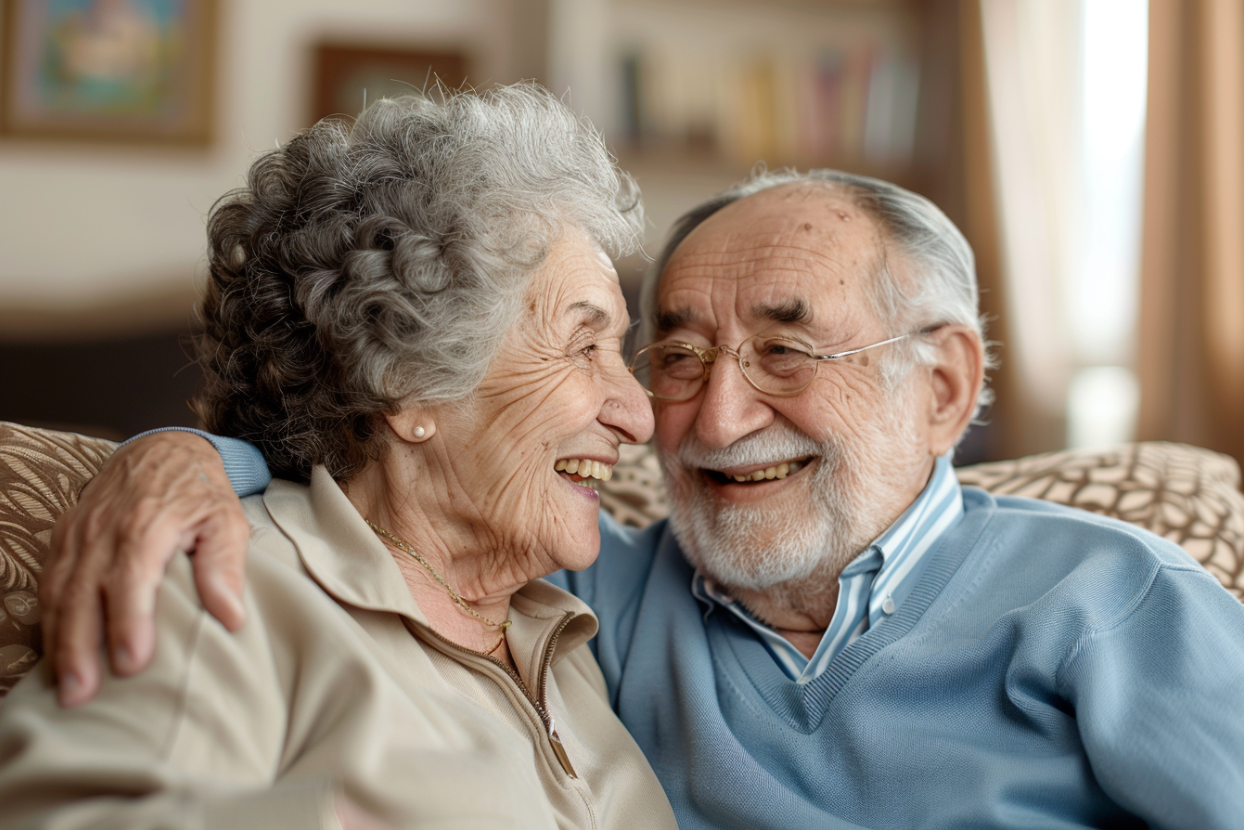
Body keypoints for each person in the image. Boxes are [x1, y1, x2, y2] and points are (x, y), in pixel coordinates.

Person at [45, 169, 1244, 829]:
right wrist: (189, 455)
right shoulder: (584, 589)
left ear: (937, 383)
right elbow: (393, 482)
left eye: (785, 352)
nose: (709, 419)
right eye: (672, 356)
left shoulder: (1111, 596)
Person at [0, 85, 679, 830]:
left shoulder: (571, 627)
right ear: (409, 385)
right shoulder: (231, 590)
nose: (638, 414)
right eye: (583, 348)